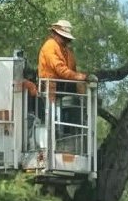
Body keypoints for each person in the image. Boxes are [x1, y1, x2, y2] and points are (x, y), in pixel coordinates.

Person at [37, 20, 97, 151]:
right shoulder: (50, 46)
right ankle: (56, 141)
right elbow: (60, 69)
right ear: (56, 34)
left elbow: (72, 70)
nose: (66, 41)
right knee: (53, 117)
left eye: (67, 38)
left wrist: (83, 84)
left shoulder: (67, 52)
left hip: (64, 88)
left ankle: (74, 134)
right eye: (64, 37)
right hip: (51, 88)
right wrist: (81, 77)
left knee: (73, 106)